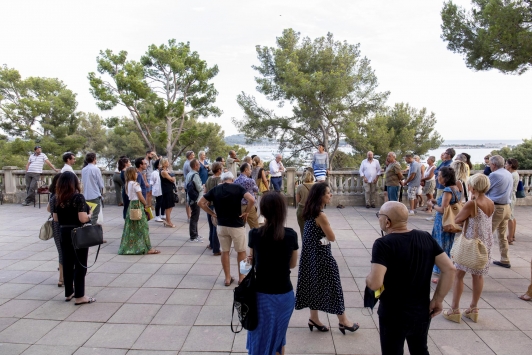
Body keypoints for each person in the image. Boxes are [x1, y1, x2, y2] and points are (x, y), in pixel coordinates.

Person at [366, 201, 455, 354]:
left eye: (379, 216)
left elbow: (375, 284)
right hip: (421, 311)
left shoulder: (383, 244)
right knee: (420, 350)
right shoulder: (425, 237)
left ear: (387, 222)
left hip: (393, 314)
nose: (378, 219)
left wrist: (368, 278)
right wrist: (437, 300)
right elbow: (449, 269)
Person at [295, 183, 359, 335]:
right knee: (334, 287)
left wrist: (320, 240)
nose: (331, 195)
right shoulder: (321, 215)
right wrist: (324, 239)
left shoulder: (309, 211)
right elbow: (332, 237)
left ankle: (313, 318)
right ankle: (343, 321)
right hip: (321, 257)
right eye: (328, 193)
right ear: (320, 196)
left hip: (310, 256)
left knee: (313, 285)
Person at [246, 192, 299, 355]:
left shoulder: (255, 234)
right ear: (282, 211)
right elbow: (292, 264)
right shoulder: (291, 235)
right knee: (278, 336)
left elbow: (252, 260)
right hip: (284, 295)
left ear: (263, 211)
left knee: (259, 336)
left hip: (261, 295)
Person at [443, 173, 494, 324]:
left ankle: (454, 309)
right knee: (478, 275)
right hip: (485, 243)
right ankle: (473, 308)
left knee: (459, 275)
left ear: (473, 186)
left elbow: (458, 219)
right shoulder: (490, 202)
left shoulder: (473, 203)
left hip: (470, 243)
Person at [198, 172, 255, 285]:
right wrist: (247, 212)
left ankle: (227, 278)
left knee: (225, 251)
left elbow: (201, 203)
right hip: (236, 225)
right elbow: (252, 200)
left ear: (222, 180)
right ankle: (242, 277)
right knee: (241, 252)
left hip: (222, 225)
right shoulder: (238, 188)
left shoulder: (216, 189)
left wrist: (212, 214)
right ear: (232, 179)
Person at [51, 172, 96, 305]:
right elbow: (82, 218)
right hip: (77, 232)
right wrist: (90, 215)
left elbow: (55, 218)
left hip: (63, 231)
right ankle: (80, 296)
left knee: (68, 262)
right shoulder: (78, 197)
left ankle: (69, 292)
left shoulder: (57, 198)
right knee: (80, 264)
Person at [426, 167, 462, 282]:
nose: (437, 177)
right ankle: (445, 269)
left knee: (440, 245)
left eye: (439, 175)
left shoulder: (447, 190)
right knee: (447, 245)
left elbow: (443, 209)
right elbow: (451, 203)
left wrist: (432, 206)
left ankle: (443, 270)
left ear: (445, 177)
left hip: (443, 222)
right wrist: (436, 201)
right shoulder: (457, 187)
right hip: (450, 221)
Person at [118, 166, 159, 255]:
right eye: (135, 173)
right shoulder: (135, 184)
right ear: (132, 174)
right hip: (138, 205)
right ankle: (147, 247)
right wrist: (146, 204)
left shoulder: (127, 184)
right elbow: (140, 196)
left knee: (131, 227)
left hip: (131, 205)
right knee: (143, 227)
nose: (137, 174)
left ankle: (132, 247)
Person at [486, 155, 514, 268]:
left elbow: (484, 188)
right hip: (507, 207)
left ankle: (482, 260)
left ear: (493, 164)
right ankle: (505, 259)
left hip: (497, 208)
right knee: (502, 235)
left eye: (489, 164)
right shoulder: (508, 173)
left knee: (487, 234)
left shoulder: (495, 174)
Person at [47, 173, 63, 287]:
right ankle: (62, 278)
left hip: (56, 226)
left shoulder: (53, 195)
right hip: (63, 225)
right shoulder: (61, 195)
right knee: (65, 253)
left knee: (61, 252)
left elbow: (49, 209)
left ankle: (61, 278)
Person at [234, 163, 260, 229]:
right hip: (249, 206)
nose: (251, 171)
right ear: (246, 170)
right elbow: (256, 190)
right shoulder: (250, 180)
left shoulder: (235, 181)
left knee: (239, 227)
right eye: (250, 169)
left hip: (238, 206)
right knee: (255, 227)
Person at [205, 162, 223, 255]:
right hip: (216, 205)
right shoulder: (219, 180)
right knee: (216, 226)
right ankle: (216, 249)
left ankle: (211, 244)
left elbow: (206, 191)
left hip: (209, 205)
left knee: (211, 226)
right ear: (219, 170)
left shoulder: (208, 179)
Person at [81, 152, 104, 225]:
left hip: (86, 195)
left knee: (88, 214)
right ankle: (91, 231)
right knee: (94, 215)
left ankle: (87, 228)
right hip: (94, 195)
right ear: (94, 159)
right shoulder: (96, 169)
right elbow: (100, 183)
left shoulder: (84, 169)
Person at [186, 159, 204, 243]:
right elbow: (199, 188)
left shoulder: (189, 174)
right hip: (196, 199)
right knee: (194, 217)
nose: (199, 166)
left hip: (190, 198)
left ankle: (195, 234)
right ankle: (193, 236)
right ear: (195, 166)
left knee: (194, 216)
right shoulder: (195, 175)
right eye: (198, 165)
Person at [295, 169, 315, 237]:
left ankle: (305, 244)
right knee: (313, 230)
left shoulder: (300, 187)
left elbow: (298, 200)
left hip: (302, 209)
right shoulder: (316, 186)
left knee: (303, 229)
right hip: (313, 209)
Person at [505, 158, 519, 245]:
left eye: (506, 164)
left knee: (510, 217)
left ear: (510, 165)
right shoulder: (515, 174)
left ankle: (510, 237)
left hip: (510, 196)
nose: (505, 165)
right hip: (512, 196)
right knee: (512, 217)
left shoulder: (512, 175)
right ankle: (512, 235)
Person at [160, 158, 176, 228]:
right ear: (164, 163)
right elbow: (172, 179)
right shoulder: (163, 172)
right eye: (167, 162)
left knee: (171, 205)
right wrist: (173, 177)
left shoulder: (167, 171)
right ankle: (168, 221)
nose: (168, 163)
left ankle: (167, 220)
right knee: (168, 206)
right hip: (166, 190)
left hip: (170, 189)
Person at [183, 151, 195, 221]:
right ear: (189, 156)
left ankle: (190, 215)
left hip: (188, 184)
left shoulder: (187, 163)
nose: (194, 156)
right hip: (189, 184)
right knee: (188, 200)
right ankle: (189, 216)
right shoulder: (189, 164)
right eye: (193, 155)